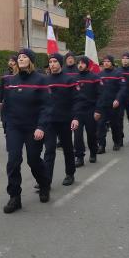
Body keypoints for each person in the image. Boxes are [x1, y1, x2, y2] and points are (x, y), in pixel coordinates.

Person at [0, 48, 51, 213]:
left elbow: (46, 106)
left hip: (33, 127)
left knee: (33, 160)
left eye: (24, 57)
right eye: (19, 57)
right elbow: (6, 106)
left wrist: (41, 127)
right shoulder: (10, 80)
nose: (20, 59)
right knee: (13, 161)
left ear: (31, 60)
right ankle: (14, 197)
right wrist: (6, 125)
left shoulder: (41, 80)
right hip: (15, 127)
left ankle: (44, 184)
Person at [43, 53, 77, 186]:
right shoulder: (45, 80)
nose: (52, 64)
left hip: (65, 120)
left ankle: (70, 173)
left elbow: (76, 100)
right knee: (49, 150)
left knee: (67, 148)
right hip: (50, 121)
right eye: (50, 62)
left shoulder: (69, 80)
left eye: (54, 61)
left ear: (60, 63)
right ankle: (46, 180)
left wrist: (75, 117)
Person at [73, 56, 103, 166]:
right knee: (77, 135)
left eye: (82, 63)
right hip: (77, 112)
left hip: (91, 110)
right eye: (78, 63)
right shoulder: (74, 78)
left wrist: (98, 110)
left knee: (91, 134)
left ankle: (93, 153)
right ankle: (79, 156)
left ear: (87, 64)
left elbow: (100, 95)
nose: (80, 65)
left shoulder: (94, 78)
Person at [96, 55, 126, 153]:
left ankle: (117, 142)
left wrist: (118, 99)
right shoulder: (99, 75)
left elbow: (122, 88)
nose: (106, 63)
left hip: (114, 105)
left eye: (108, 61)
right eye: (104, 61)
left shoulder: (118, 74)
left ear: (112, 62)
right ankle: (101, 145)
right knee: (100, 125)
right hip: (102, 105)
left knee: (115, 125)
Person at [0, 54, 18, 136]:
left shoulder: (18, 73)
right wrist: (0, 100)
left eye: (13, 61)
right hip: (6, 101)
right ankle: (7, 132)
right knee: (4, 120)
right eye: (9, 61)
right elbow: (1, 88)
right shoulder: (5, 73)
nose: (10, 62)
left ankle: (13, 134)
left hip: (16, 101)